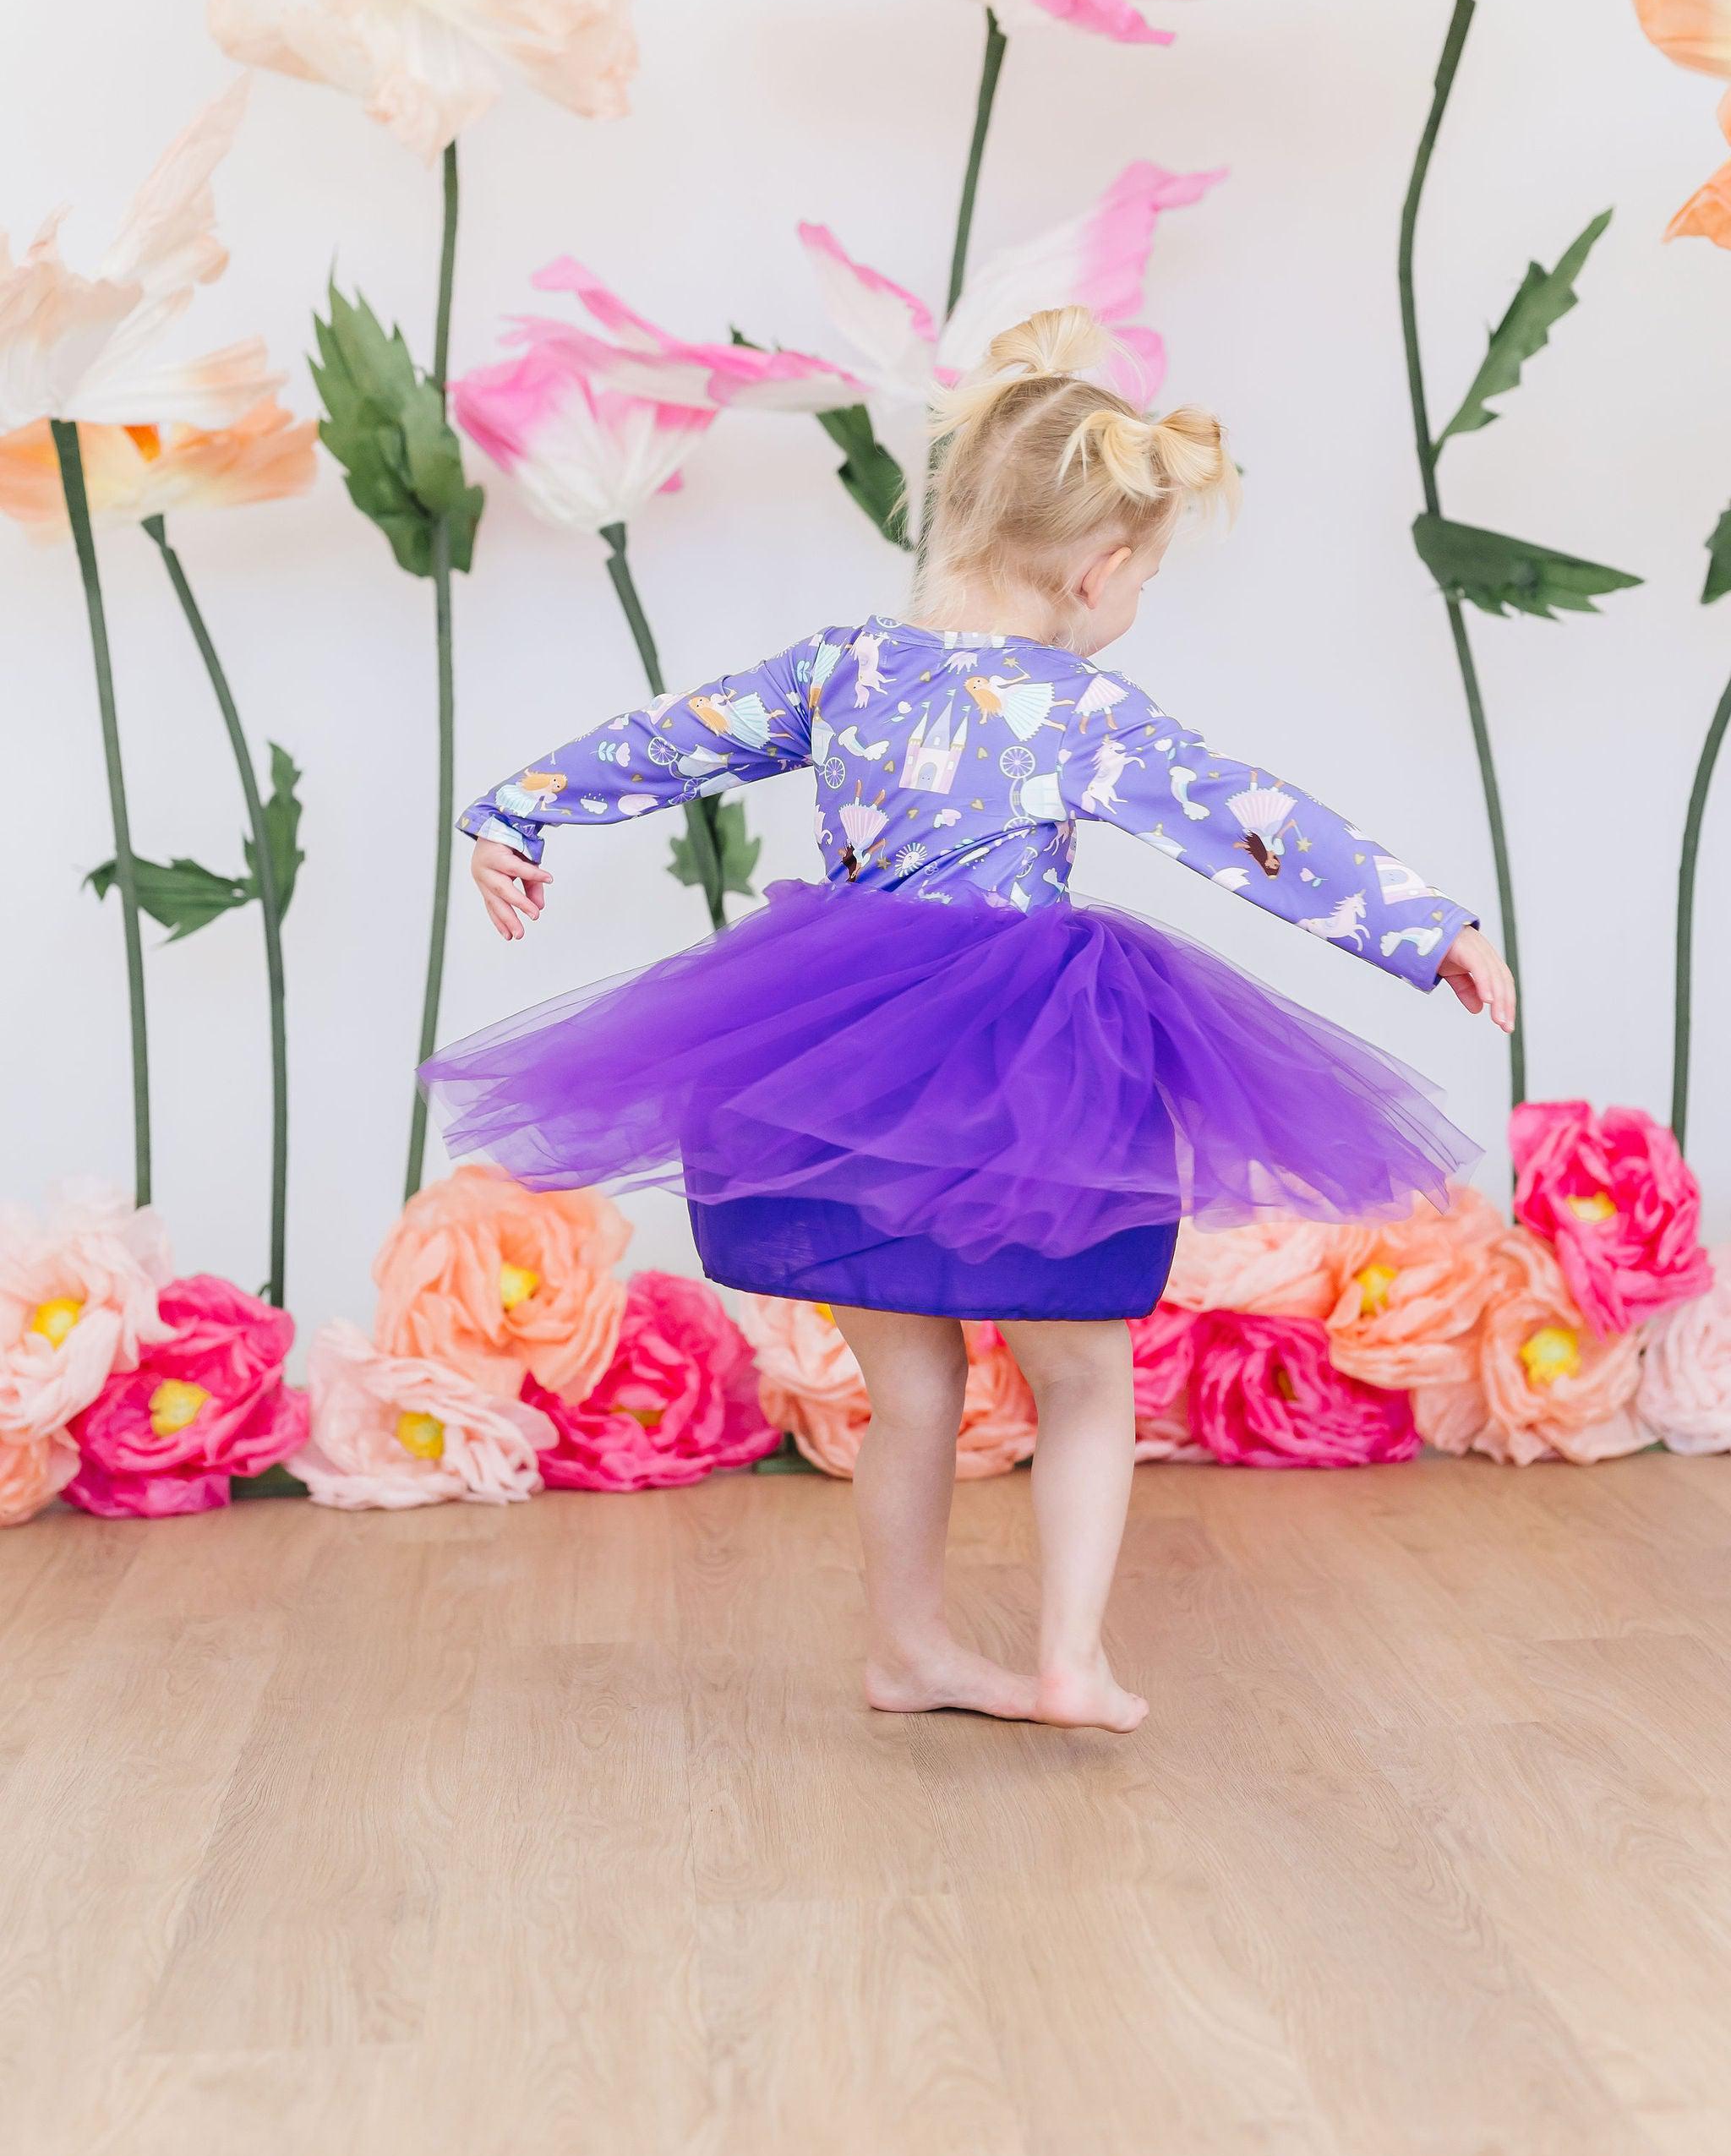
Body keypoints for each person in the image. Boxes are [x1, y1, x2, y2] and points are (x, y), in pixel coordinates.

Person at [427, 307, 1513, 1734]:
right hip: (1022, 1072)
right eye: (1144, 579)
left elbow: (672, 736)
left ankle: (911, 1649)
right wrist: (1426, 929)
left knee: (913, 1382)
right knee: (1084, 1369)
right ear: (1100, 568)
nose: (1134, 602)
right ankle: (1067, 1659)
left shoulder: (841, 668)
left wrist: (514, 812)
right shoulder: (1078, 710)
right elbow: (1252, 822)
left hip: (835, 1062)